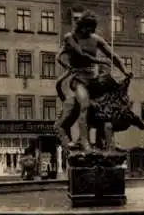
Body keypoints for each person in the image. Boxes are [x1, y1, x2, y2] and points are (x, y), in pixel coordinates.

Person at [55, 10, 133, 151]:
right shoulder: (70, 37)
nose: (90, 30)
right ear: (81, 25)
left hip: (93, 79)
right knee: (84, 104)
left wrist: (124, 70)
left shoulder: (96, 39)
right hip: (78, 79)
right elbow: (82, 54)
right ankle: (84, 141)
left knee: (108, 105)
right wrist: (99, 60)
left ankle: (107, 141)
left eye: (92, 28)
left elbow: (113, 56)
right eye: (88, 27)